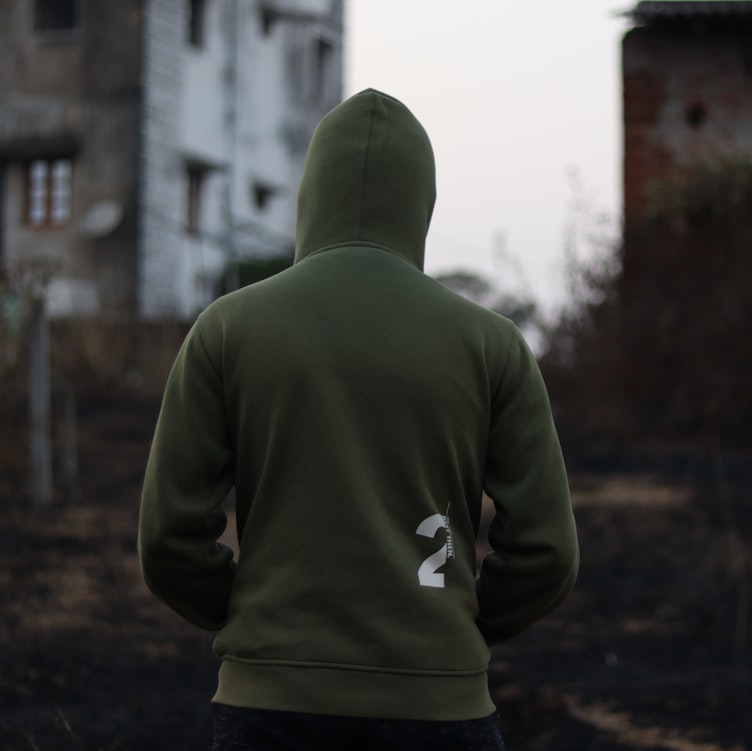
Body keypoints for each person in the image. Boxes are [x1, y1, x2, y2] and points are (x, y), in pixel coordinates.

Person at [137, 88, 579, 750]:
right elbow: (547, 550)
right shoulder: (493, 345)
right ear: (422, 204)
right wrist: (451, 631)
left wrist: (256, 623)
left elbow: (169, 538)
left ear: (310, 194)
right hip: (440, 705)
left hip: (272, 705)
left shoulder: (225, 330)